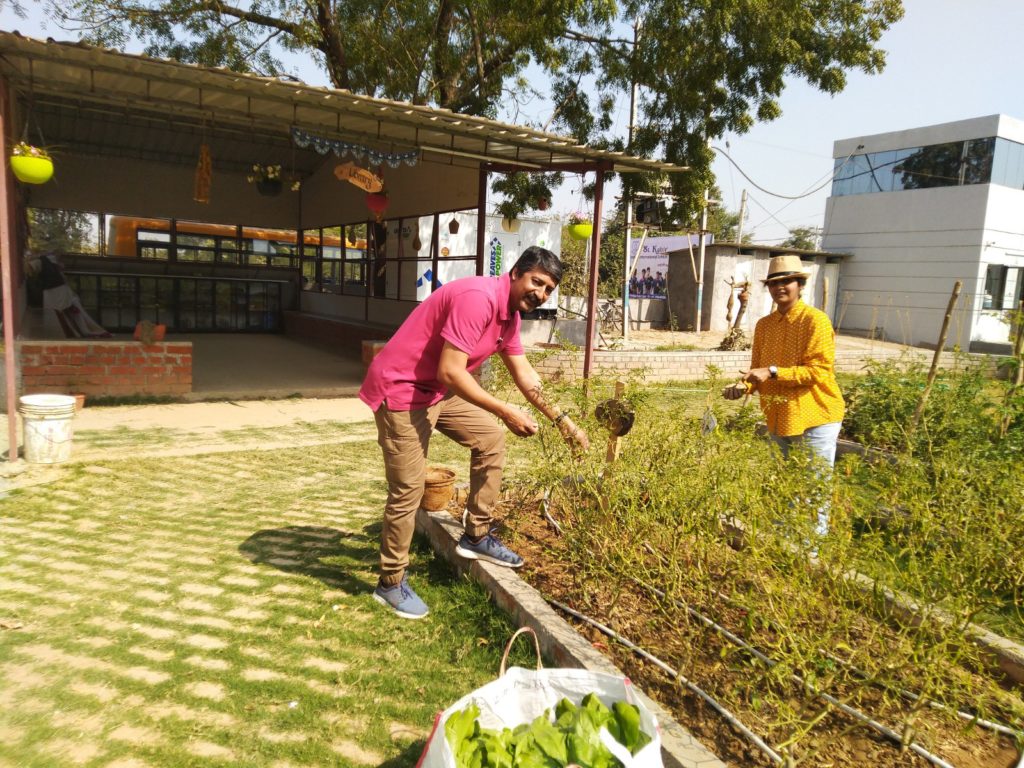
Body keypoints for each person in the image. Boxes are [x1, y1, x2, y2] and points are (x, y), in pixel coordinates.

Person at [359, 246, 590, 619]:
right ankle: (390, 582)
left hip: (435, 391)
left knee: (490, 439)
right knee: (408, 488)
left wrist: (563, 420)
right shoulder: (478, 299)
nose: (541, 293)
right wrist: (504, 409)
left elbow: (525, 375)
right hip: (402, 389)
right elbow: (451, 371)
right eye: (537, 282)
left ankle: (476, 535)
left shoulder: (509, 316)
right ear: (515, 273)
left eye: (549, 289)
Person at [723, 254, 845, 537]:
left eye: (787, 281)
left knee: (813, 488)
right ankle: (784, 543)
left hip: (815, 417)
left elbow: (818, 371)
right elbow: (757, 369)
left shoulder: (815, 321)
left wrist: (773, 372)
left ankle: (810, 550)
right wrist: (742, 386)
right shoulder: (764, 325)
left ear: (800, 285)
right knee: (785, 483)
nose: (780, 287)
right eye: (774, 283)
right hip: (779, 416)